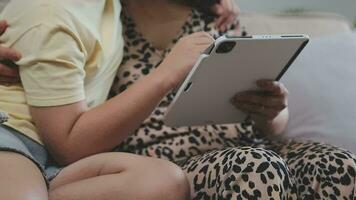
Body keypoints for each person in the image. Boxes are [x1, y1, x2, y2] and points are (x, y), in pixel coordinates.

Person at [2, 0, 356, 200]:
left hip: (253, 141)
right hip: (166, 157)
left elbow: (275, 119)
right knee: (255, 167)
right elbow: (73, 125)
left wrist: (273, 112)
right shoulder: (107, 24)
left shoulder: (216, 15)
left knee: (340, 165)